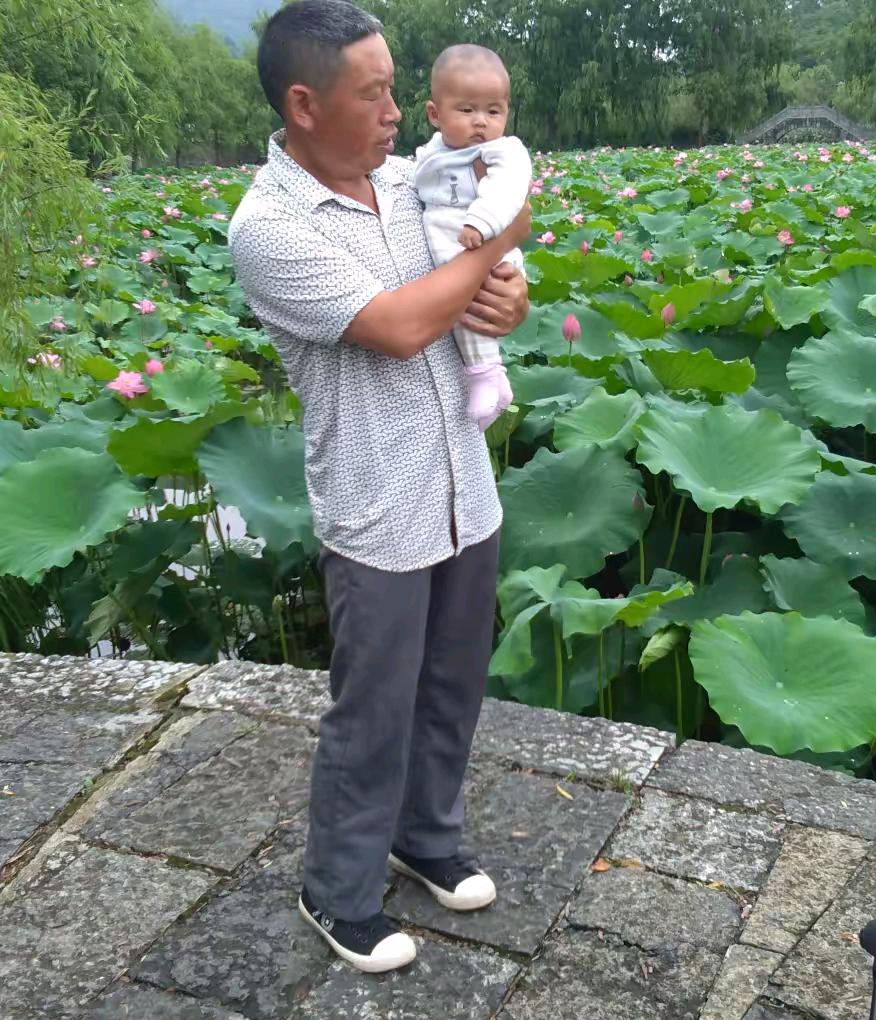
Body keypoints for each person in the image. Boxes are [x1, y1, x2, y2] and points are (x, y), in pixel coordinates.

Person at [228, 0, 530, 975]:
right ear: (305, 104)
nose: (399, 111)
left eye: (397, 88)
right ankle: (339, 889)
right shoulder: (269, 227)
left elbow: (481, 292)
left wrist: (509, 294)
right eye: (375, 93)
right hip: (378, 508)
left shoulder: (412, 180)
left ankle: (427, 837)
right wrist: (498, 241)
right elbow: (398, 326)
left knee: (453, 685)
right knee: (374, 709)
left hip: (463, 486)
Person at [413, 45, 531, 428]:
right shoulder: (430, 155)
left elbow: (507, 193)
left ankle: (486, 374)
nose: (481, 122)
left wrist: (482, 226)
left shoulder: (503, 151)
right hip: (457, 241)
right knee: (458, 301)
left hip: (481, 237)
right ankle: (490, 379)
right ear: (435, 114)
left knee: (470, 305)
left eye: (493, 112)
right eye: (467, 110)